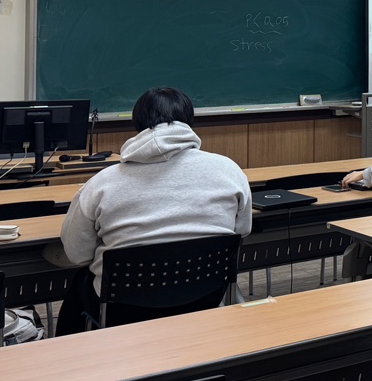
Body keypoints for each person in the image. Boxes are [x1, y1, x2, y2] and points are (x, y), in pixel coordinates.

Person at [55, 86, 252, 335]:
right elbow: (242, 230)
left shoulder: (102, 183)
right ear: (190, 120)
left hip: (122, 309)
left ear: (137, 123)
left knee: (80, 283)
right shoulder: (229, 170)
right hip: (204, 297)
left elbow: (77, 254)